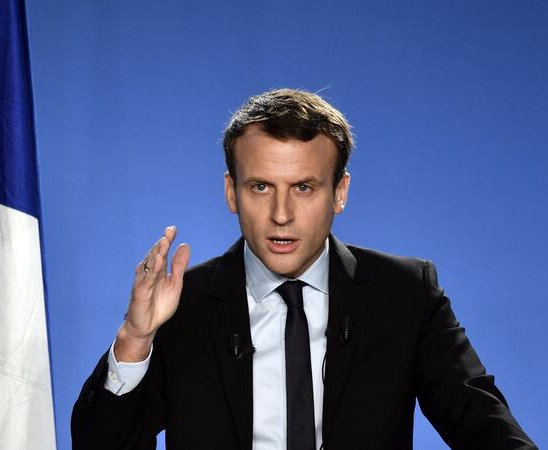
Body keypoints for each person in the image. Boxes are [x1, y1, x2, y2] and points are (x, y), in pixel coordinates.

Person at [71, 88, 535, 449]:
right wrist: (135, 339)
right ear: (231, 193)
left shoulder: (406, 296)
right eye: (260, 187)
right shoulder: (181, 306)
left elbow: (484, 428)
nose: (281, 214)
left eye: (305, 187)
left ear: (340, 192)